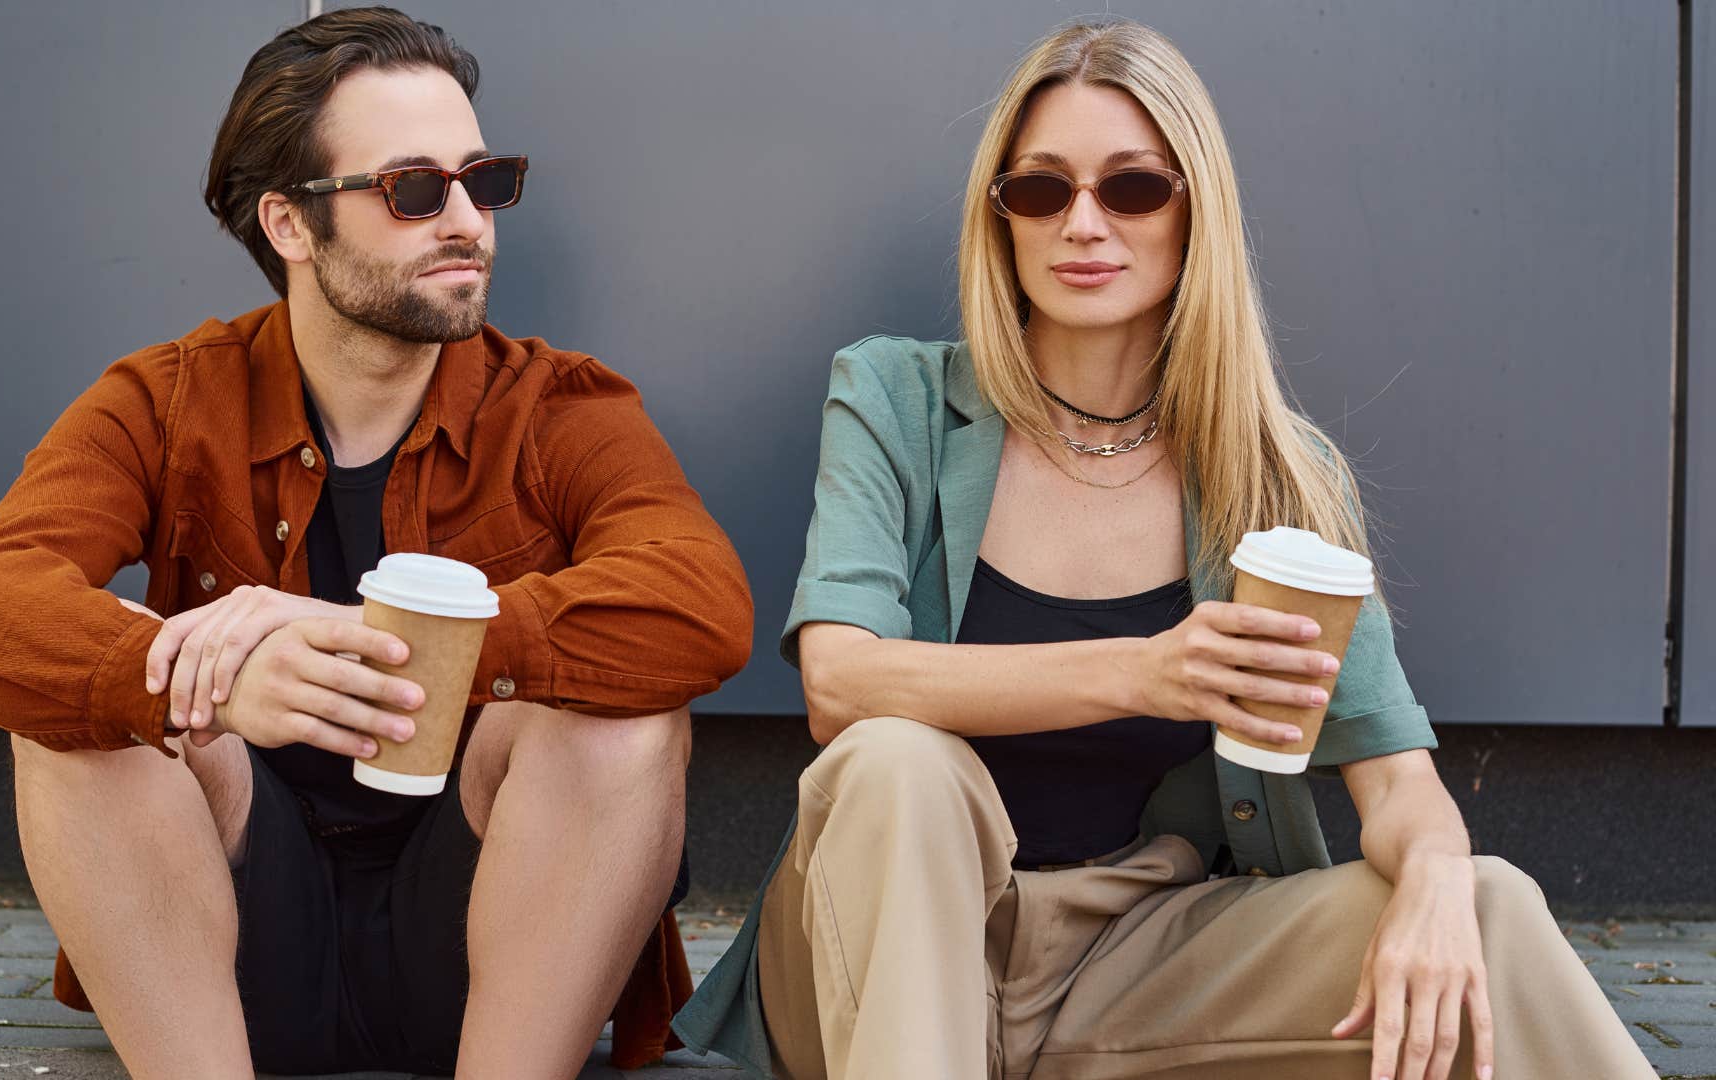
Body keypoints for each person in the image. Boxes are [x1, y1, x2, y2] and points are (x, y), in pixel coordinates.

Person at [673, 18, 1652, 1080]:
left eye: (1132, 189)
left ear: (1197, 213)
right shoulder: (895, 398)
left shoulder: (1274, 475)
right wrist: (1146, 669)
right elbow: (842, 680)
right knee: (898, 759)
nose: (1082, 224)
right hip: (876, 956)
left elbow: (1399, 783)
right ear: (1000, 219)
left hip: (1137, 965)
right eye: (1041, 191)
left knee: (1488, 906)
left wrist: (1432, 880)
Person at [0, 8, 752, 1078]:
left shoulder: (557, 407)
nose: (467, 221)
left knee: (619, 715)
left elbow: (702, 602)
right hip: (241, 940)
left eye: (482, 181)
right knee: (100, 680)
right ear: (291, 224)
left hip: (488, 938)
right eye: (413, 190)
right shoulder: (167, 401)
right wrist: (197, 683)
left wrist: (393, 645)